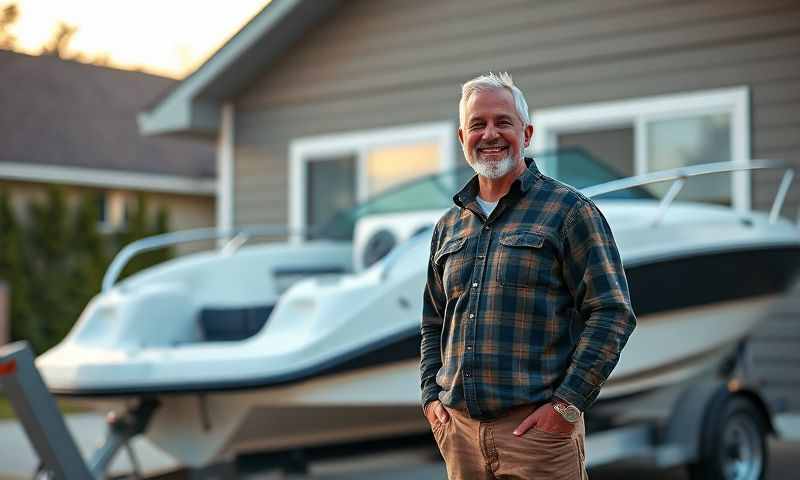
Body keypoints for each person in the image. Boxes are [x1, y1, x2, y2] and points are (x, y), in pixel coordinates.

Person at [420, 72, 637, 480]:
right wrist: (432, 400)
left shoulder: (570, 212)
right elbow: (434, 323)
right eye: (478, 124)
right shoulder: (448, 226)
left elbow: (612, 313)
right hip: (460, 437)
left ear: (527, 132)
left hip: (539, 439)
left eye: (503, 122)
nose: (490, 134)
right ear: (461, 136)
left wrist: (566, 406)